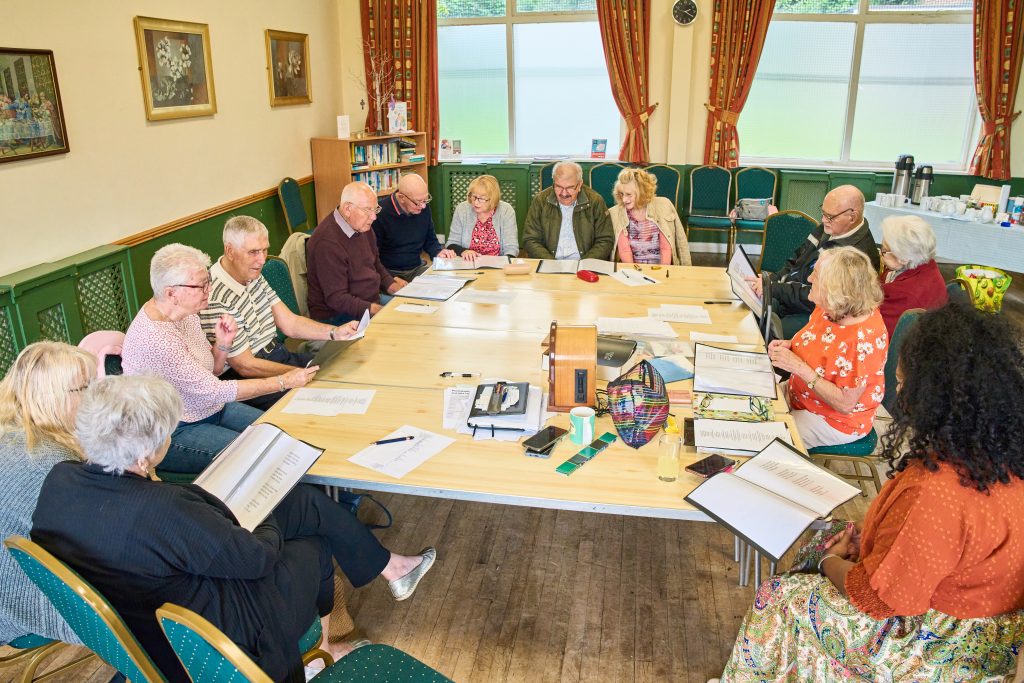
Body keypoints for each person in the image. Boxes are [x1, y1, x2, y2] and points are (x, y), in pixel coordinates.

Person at [31, 375, 436, 683]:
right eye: (167, 433)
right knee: (311, 544)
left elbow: (165, 527)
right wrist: (264, 512)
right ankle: (317, 653)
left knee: (304, 503)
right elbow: (256, 558)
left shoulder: (61, 481)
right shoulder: (161, 509)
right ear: (142, 455)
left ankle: (384, 572)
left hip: (147, 607)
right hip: (218, 634)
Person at [712, 304, 1024, 683]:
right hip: (996, 628)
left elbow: (876, 600)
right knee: (825, 538)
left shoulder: (937, 490)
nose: (898, 389)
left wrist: (830, 562)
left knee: (779, 595)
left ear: (934, 396)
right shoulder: (1000, 456)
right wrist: (863, 543)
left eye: (903, 383)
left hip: (940, 645)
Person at [122, 244, 315, 474]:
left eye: (208, 282)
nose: (209, 291)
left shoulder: (184, 313)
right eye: (200, 286)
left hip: (211, 408)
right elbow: (215, 390)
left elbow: (210, 371)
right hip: (174, 430)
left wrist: (223, 344)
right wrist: (283, 381)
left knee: (283, 435)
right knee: (261, 456)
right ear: (171, 293)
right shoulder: (157, 338)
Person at [200, 216, 361, 410]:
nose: (261, 260)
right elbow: (245, 366)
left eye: (264, 250)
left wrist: (335, 332)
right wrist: (299, 372)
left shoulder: (252, 273)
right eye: (253, 252)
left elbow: (290, 323)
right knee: (327, 395)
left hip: (276, 355)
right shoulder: (215, 296)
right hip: (252, 376)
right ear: (230, 251)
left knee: (345, 368)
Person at [0, 342, 93, 646]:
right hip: (22, 599)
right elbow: (99, 543)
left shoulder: (13, 432)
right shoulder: (49, 461)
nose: (92, 397)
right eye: (84, 388)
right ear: (51, 398)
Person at [766, 247, 887, 449]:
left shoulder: (861, 340)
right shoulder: (832, 307)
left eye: (817, 275)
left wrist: (798, 367)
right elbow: (818, 343)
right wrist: (791, 346)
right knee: (750, 409)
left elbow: (845, 404)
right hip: (802, 395)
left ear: (835, 290)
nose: (810, 279)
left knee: (766, 441)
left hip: (834, 419)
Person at [747, 185, 880, 338]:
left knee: (764, 331)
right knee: (750, 309)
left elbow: (819, 298)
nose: (823, 220)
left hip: (817, 314)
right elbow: (795, 259)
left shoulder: (857, 255)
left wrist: (774, 288)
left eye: (830, 216)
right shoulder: (828, 228)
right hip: (791, 297)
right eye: (823, 213)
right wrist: (770, 281)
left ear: (852, 217)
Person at [307, 182, 408, 324]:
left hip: (368, 302)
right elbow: (337, 299)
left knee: (410, 310)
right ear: (348, 208)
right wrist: (376, 310)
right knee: (401, 324)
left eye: (375, 209)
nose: (374, 217)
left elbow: (376, 265)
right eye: (368, 210)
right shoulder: (327, 243)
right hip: (338, 315)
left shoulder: (361, 226)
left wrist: (394, 287)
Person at [522, 161, 614, 261]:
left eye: (570, 188)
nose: (564, 193)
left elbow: (605, 240)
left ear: (579, 185)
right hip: (549, 262)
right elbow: (530, 239)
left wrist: (584, 264)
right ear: (553, 183)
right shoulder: (540, 201)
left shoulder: (595, 201)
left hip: (584, 265)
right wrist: (551, 263)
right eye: (558, 187)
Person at [372, 174, 454, 280]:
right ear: (401, 197)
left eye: (425, 200)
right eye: (418, 202)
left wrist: (438, 252)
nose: (423, 206)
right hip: (390, 272)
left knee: (444, 282)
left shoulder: (422, 207)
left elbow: (430, 240)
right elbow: (373, 258)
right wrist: (387, 280)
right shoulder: (380, 214)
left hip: (416, 268)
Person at [877, 215, 947, 336]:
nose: (881, 252)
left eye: (884, 249)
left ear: (903, 258)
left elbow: (877, 330)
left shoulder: (904, 294)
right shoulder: (927, 265)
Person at [607, 167, 691, 265]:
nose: (624, 199)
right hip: (631, 268)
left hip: (661, 266)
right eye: (622, 194)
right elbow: (625, 250)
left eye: (629, 195)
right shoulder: (616, 212)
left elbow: (665, 248)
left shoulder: (663, 206)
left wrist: (662, 274)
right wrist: (633, 274)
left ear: (642, 193)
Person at [443, 174, 519, 261]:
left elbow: (511, 248)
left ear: (492, 199)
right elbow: (451, 243)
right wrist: (463, 251)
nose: (475, 202)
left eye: (481, 199)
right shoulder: (462, 209)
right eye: (474, 196)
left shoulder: (506, 211)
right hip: (467, 263)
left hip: (497, 264)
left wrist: (503, 263)